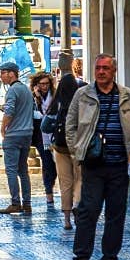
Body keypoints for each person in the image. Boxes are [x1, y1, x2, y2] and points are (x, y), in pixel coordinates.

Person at [62, 54, 130, 260]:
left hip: (120, 164)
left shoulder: (128, 96)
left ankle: (110, 258)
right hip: (93, 164)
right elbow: (70, 126)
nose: (101, 72)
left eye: (106, 68)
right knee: (88, 211)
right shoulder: (83, 95)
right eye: (98, 68)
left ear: (114, 70)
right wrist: (76, 151)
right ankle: (81, 258)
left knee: (116, 213)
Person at [0, 63, 36, 215]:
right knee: (23, 170)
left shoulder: (12, 90)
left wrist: (3, 127)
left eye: (3, 73)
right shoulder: (25, 89)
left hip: (14, 134)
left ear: (12, 74)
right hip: (27, 133)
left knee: (11, 170)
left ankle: (15, 203)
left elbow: (10, 111)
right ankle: (27, 203)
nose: (1, 76)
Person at [49, 57, 83, 220]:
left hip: (60, 145)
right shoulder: (80, 96)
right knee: (79, 178)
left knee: (65, 181)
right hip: (76, 144)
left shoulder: (58, 98)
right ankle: (77, 205)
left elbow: (47, 120)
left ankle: (67, 219)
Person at [30, 73, 59, 211]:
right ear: (36, 85)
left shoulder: (55, 96)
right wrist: (36, 97)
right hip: (41, 137)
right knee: (47, 164)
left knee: (54, 166)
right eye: (41, 84)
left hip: (54, 134)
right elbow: (34, 114)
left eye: (46, 83)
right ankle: (49, 193)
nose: (44, 86)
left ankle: (51, 187)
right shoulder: (34, 97)